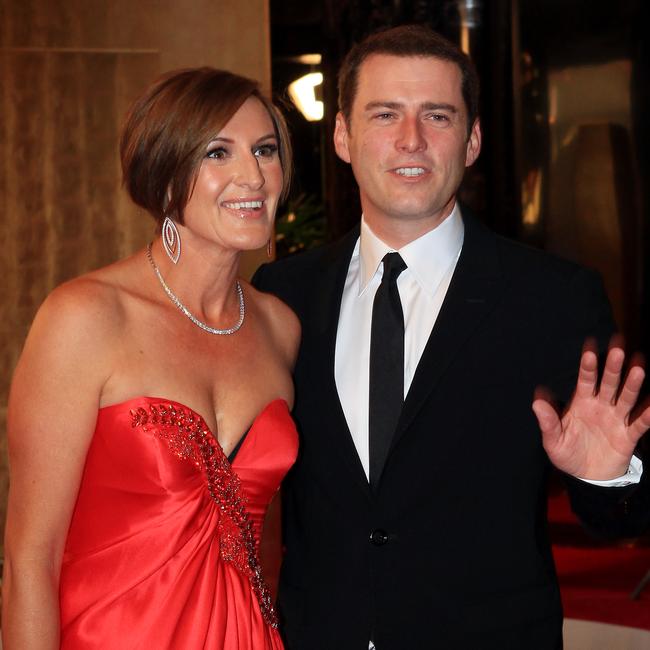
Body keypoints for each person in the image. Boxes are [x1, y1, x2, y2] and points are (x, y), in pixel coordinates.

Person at [253, 25, 650, 649]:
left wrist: (611, 477)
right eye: (385, 114)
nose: (411, 139)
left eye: (437, 116)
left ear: (472, 141)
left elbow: (629, 508)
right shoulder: (281, 293)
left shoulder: (554, 297)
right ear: (342, 136)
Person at [2, 67, 299, 649]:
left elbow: (268, 542)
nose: (254, 175)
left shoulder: (279, 327)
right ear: (164, 177)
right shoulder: (85, 318)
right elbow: (28, 563)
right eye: (218, 152)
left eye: (265, 150)